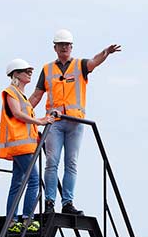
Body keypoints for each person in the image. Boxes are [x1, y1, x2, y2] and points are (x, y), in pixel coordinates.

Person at [29, 29, 121, 215]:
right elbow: (37, 95)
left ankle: (67, 203)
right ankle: (49, 203)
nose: (64, 47)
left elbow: (94, 61)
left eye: (67, 44)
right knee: (51, 162)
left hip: (75, 122)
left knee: (71, 163)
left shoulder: (80, 65)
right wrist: (22, 112)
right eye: (60, 44)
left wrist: (106, 53)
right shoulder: (47, 70)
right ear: (55, 47)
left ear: (71, 47)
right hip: (54, 122)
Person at [0, 58, 55, 233]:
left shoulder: (21, 95)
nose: (30, 73)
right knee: (33, 180)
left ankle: (12, 220)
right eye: (26, 71)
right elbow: (17, 114)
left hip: (23, 145)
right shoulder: (11, 92)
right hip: (19, 145)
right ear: (16, 74)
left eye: (30, 71)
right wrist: (40, 121)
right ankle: (26, 219)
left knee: (17, 182)